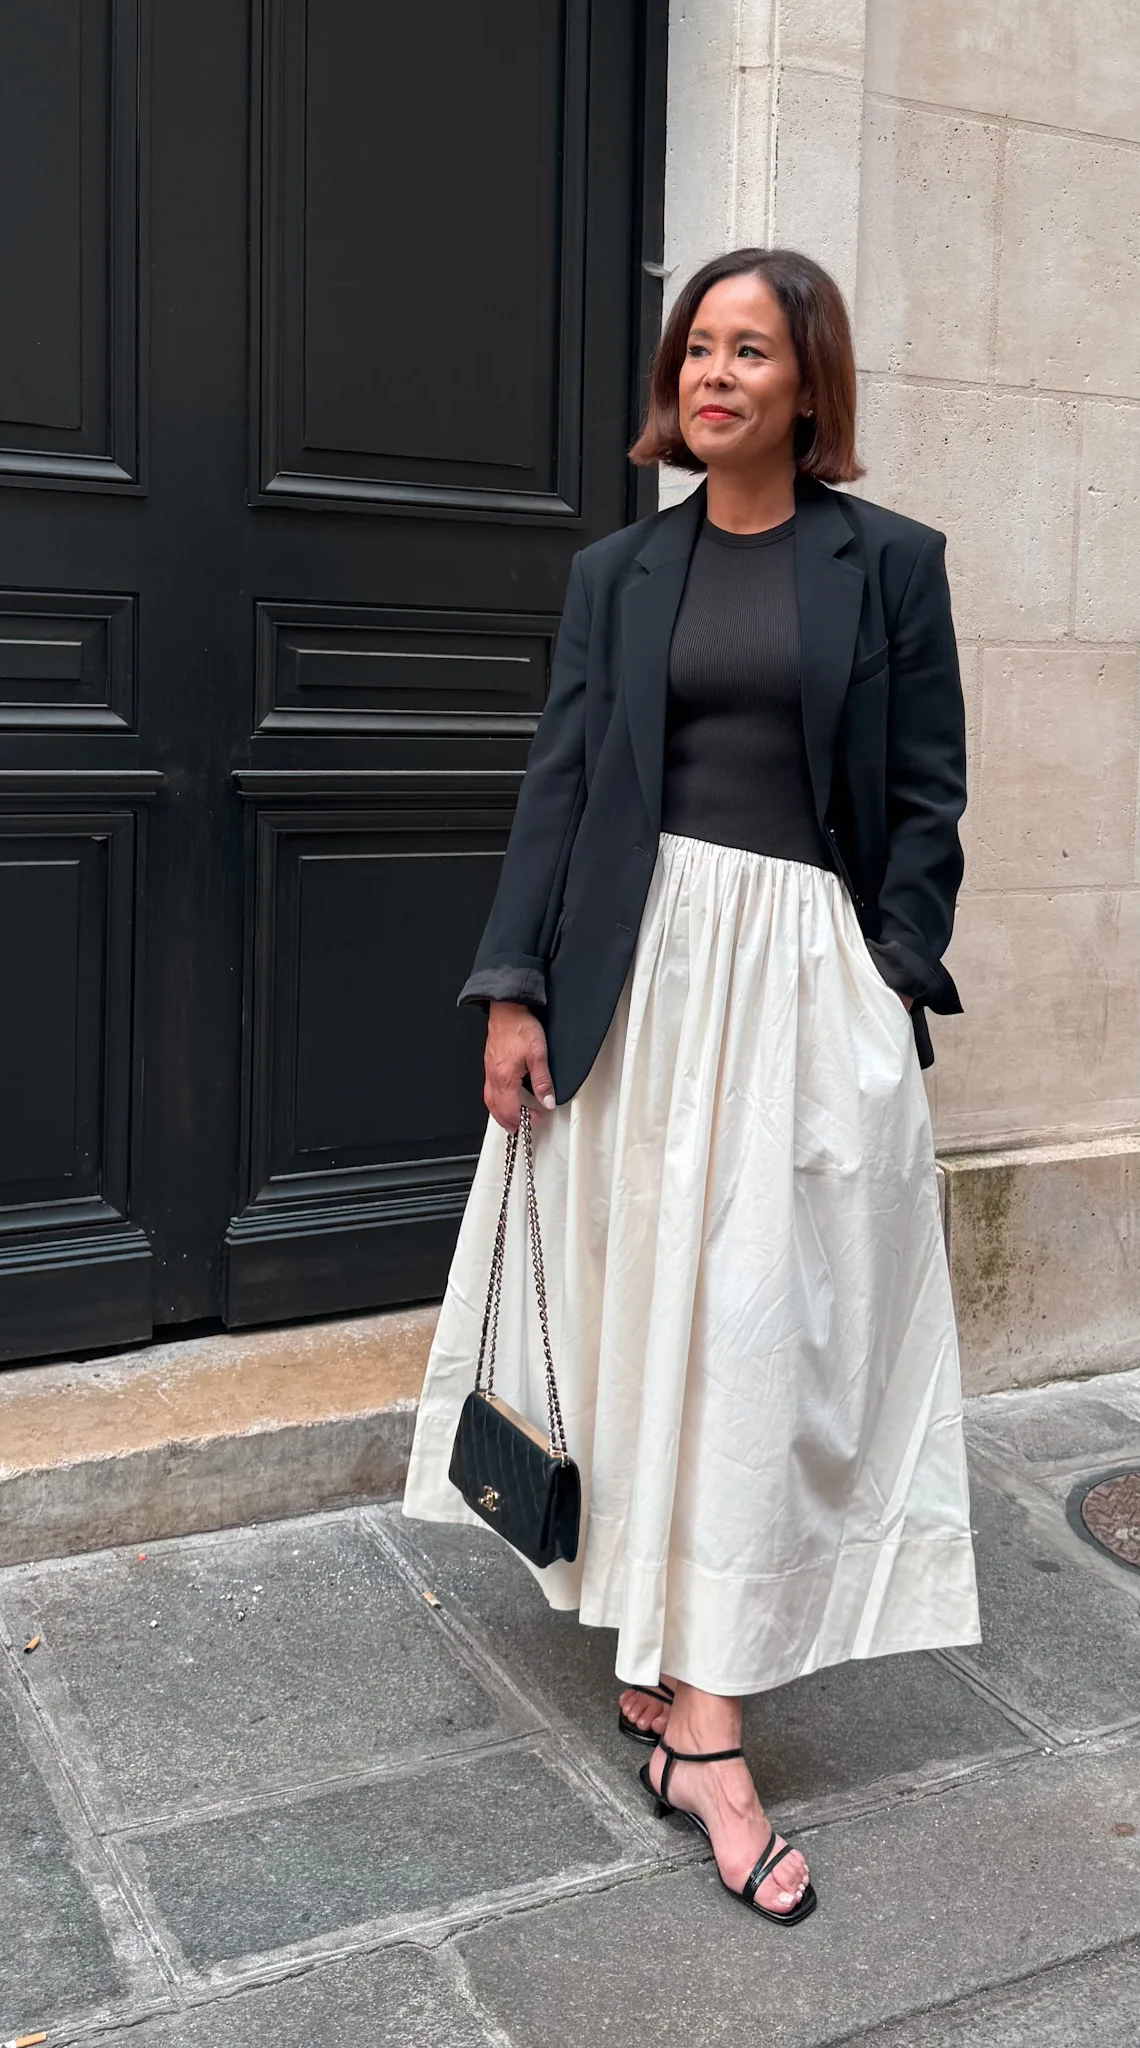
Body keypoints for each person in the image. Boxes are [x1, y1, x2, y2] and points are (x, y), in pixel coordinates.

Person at [403, 247, 981, 1926]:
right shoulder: (619, 574)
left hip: (806, 992)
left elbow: (929, 794)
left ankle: (705, 1710)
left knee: (757, 1326)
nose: (715, 371)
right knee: (645, 1310)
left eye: (753, 348)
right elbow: (563, 782)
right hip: (635, 985)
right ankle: (679, 1674)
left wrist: (892, 975)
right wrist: (512, 986)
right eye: (700, 346)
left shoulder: (889, 567)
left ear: (811, 387)